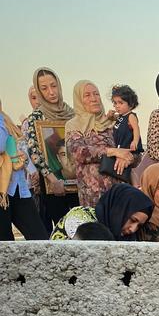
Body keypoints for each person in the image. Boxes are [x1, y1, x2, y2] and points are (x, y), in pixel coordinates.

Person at [24, 67, 79, 231]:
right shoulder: (36, 117)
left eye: (54, 86)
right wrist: (54, 181)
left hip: (78, 183)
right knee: (63, 230)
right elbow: (35, 153)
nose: (51, 92)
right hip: (53, 186)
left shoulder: (72, 114)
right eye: (44, 88)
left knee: (83, 227)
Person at [65, 80, 134, 207]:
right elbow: (78, 152)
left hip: (121, 192)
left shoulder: (114, 123)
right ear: (79, 99)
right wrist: (111, 151)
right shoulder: (74, 125)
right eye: (87, 95)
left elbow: (134, 151)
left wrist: (128, 158)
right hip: (93, 196)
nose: (93, 99)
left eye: (96, 94)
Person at [0, 105, 48, 240]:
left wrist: (24, 160)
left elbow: (20, 147)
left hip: (18, 188)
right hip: (2, 192)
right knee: (5, 245)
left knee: (40, 239)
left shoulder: (6, 120)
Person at [50, 185, 152, 240]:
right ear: (119, 209)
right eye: (133, 220)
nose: (133, 229)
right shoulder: (80, 218)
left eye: (139, 226)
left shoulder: (125, 236)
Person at [110, 84, 143, 154]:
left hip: (129, 149)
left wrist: (135, 141)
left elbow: (136, 129)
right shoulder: (120, 116)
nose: (117, 106)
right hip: (119, 149)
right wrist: (109, 115)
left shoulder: (130, 116)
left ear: (131, 104)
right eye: (115, 103)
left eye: (120, 103)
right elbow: (111, 118)